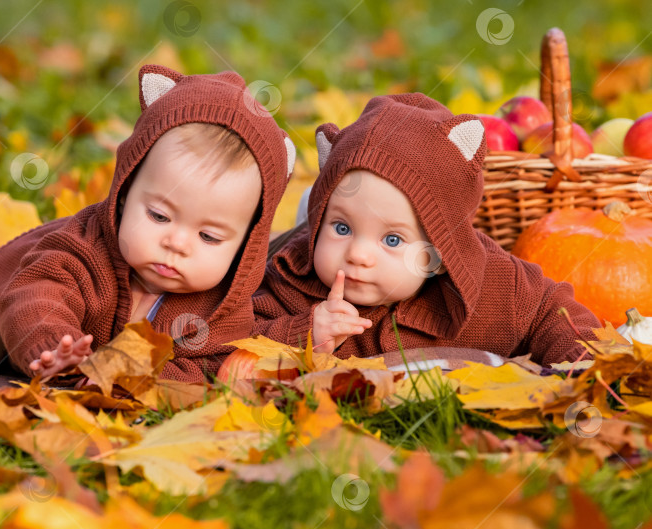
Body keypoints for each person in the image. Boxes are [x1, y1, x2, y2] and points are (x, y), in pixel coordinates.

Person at [0, 64, 296, 383]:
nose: (177, 243)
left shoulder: (223, 309)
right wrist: (54, 348)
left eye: (209, 237)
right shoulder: (86, 249)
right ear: (125, 190)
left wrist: (130, 377)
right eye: (159, 216)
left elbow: (208, 367)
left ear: (246, 246)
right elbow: (37, 294)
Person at [253, 93, 598, 367]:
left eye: (392, 239)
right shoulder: (293, 281)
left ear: (439, 254)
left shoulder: (493, 289)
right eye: (341, 227)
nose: (357, 254)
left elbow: (552, 312)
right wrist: (302, 333)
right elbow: (234, 335)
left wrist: (583, 366)